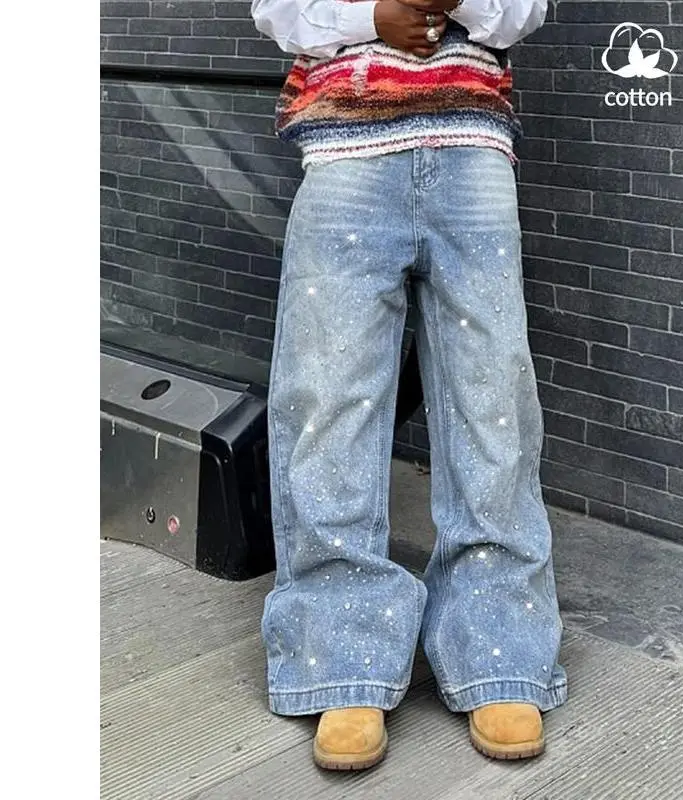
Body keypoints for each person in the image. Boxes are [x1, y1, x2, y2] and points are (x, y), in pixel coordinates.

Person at [250, 0, 567, 770]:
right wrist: (375, 16)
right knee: (328, 398)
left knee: (493, 400)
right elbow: (277, 10)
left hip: (472, 149)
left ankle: (500, 651)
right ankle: (341, 660)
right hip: (345, 149)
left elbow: (524, 11)